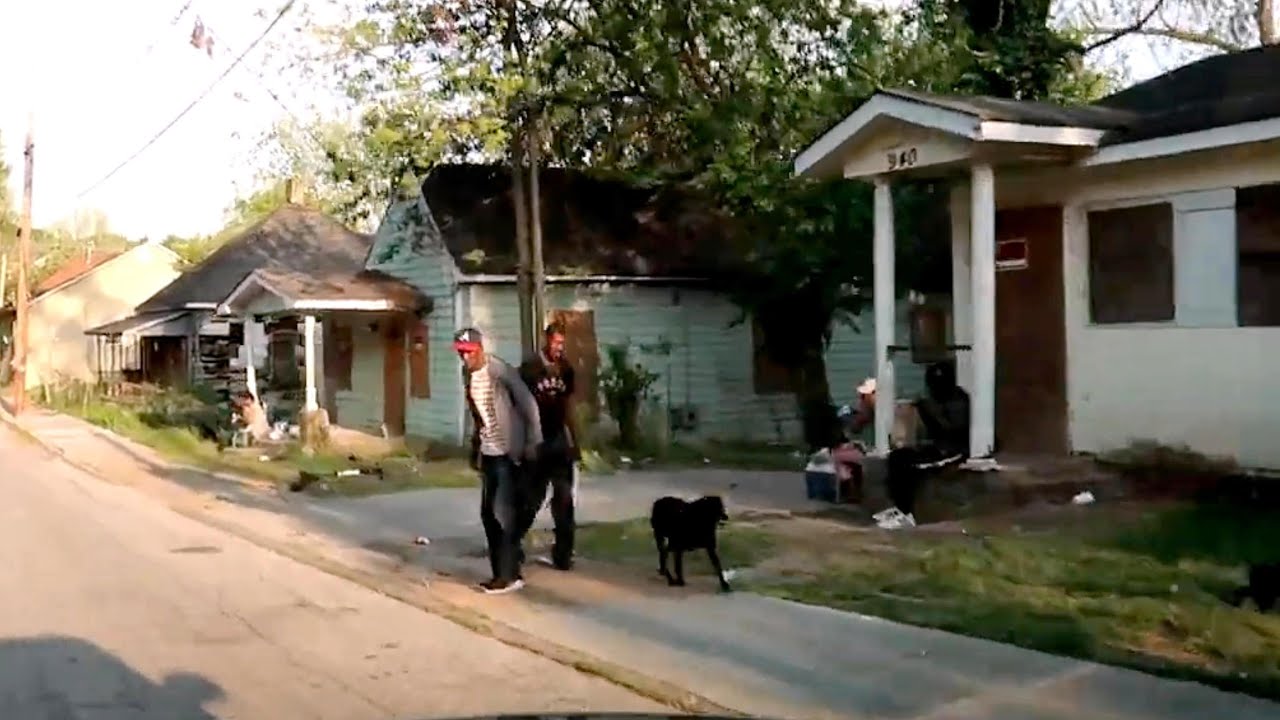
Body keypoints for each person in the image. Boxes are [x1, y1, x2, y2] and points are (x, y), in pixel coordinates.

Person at [454, 327, 543, 595]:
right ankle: (503, 571)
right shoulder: (468, 375)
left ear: (480, 349)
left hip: (508, 451)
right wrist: (475, 447)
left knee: (500, 513)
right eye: (461, 353)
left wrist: (532, 442)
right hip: (489, 451)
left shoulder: (499, 371)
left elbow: (528, 405)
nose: (465, 358)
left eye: (469, 352)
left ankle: (508, 576)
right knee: (488, 515)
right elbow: (478, 414)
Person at [875, 361, 970, 530]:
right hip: (937, 449)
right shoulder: (935, 400)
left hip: (953, 452)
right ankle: (898, 509)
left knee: (908, 466)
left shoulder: (958, 400)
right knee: (897, 457)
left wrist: (929, 409)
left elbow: (952, 429)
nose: (934, 390)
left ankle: (906, 513)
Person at [518, 322, 581, 571]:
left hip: (559, 441)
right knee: (532, 498)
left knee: (564, 500)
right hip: (537, 441)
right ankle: (512, 544)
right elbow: (519, 405)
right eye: (556, 343)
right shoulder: (531, 368)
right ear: (547, 340)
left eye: (562, 343)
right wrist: (524, 442)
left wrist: (575, 441)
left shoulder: (566, 369)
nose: (559, 348)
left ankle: (563, 554)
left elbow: (569, 405)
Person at [831, 378, 876, 503]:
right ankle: (850, 491)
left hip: (869, 450)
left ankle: (850, 492)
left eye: (863, 395)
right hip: (864, 447)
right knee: (842, 455)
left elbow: (856, 426)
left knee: (840, 456)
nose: (861, 398)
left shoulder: (870, 408)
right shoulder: (870, 407)